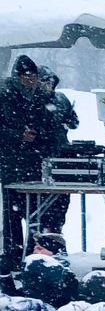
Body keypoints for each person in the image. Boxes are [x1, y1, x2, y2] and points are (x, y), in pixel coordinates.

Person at [0, 55, 50, 273]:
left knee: (36, 213)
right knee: (12, 214)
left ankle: (33, 253)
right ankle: (13, 253)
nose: (31, 80)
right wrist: (17, 135)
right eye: (26, 76)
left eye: (33, 76)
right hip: (11, 162)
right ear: (17, 77)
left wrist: (40, 135)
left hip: (35, 161)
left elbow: (49, 123)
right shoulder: (4, 95)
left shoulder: (40, 96)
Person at [30, 70, 78, 243]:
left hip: (62, 155)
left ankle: (54, 236)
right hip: (38, 156)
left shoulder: (61, 99)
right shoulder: (31, 100)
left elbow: (74, 123)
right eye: (45, 82)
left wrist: (69, 120)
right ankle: (39, 239)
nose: (48, 86)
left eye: (50, 83)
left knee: (61, 200)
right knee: (39, 204)